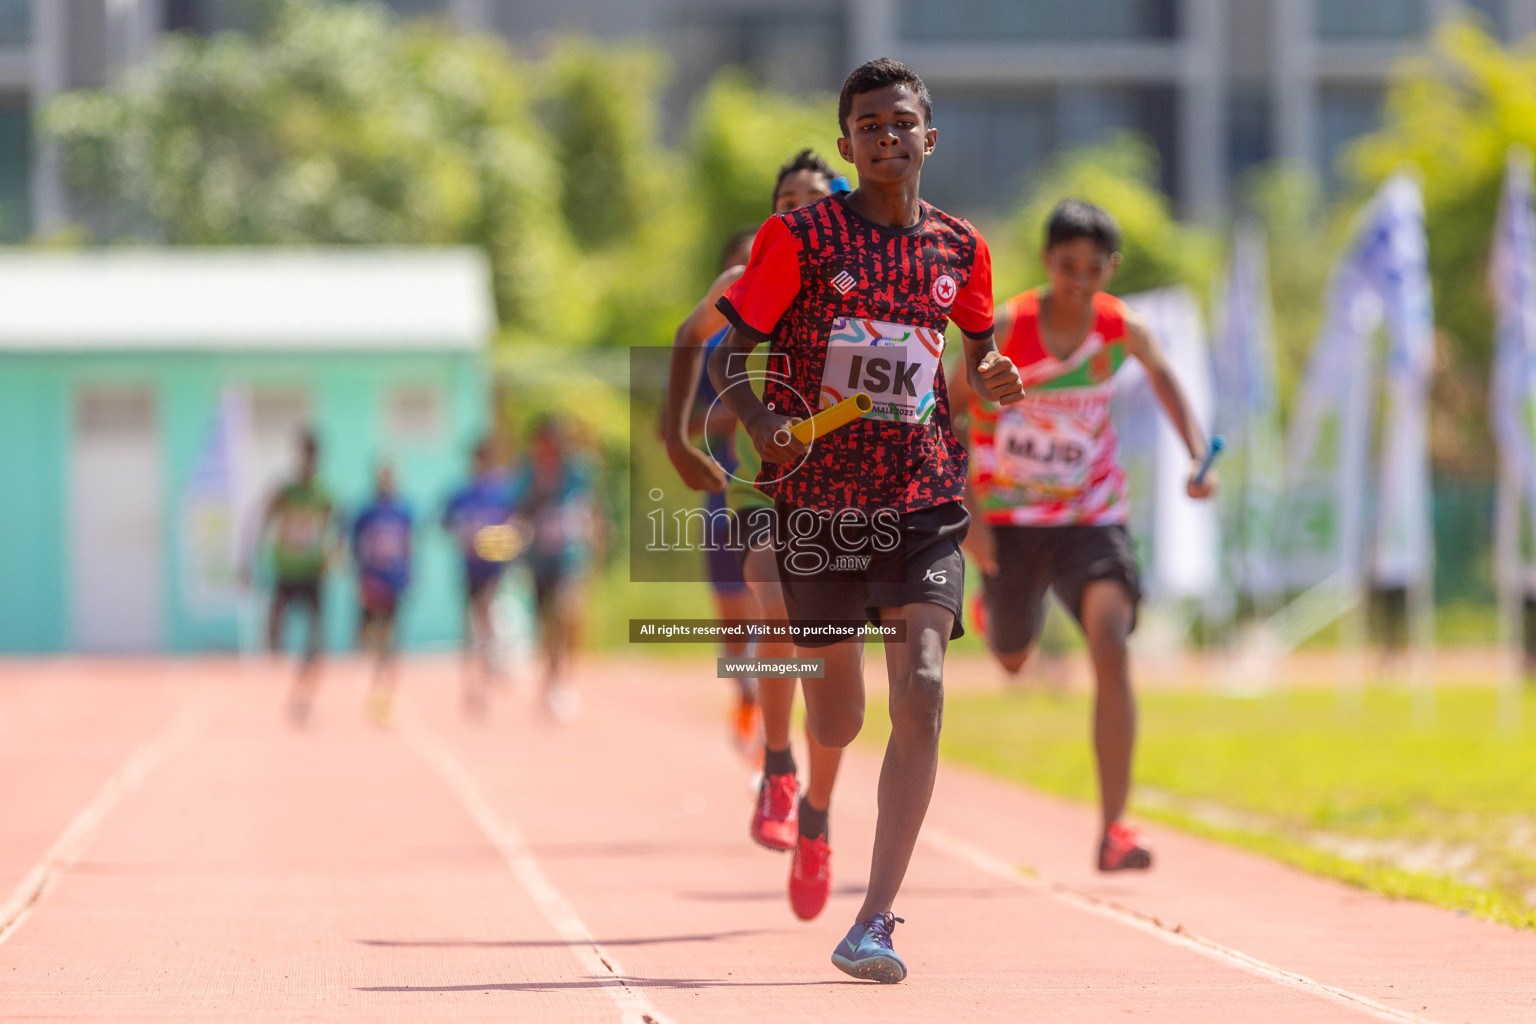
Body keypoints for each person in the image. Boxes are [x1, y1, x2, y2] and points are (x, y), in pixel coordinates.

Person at [708, 59, 1024, 982]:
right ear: (847, 145)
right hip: (818, 508)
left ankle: (876, 920)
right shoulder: (799, 239)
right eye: (869, 126)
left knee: (922, 686)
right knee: (839, 721)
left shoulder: (962, 248)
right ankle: (813, 800)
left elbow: (981, 360)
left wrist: (999, 379)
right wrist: (764, 420)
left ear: (929, 136)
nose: (887, 137)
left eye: (902, 122)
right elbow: (735, 354)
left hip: (924, 500)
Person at [952, 197, 1217, 874]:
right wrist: (970, 514)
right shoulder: (1007, 325)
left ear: (1111, 268)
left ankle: (1114, 829)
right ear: (1047, 262)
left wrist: (1196, 455)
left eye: (1091, 268)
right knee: (1012, 657)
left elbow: (1166, 381)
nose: (1077, 279)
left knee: (1111, 639)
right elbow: (946, 413)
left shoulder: (1120, 326)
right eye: (1066, 265)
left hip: (1092, 516)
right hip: (1009, 524)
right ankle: (996, 612)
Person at [667, 149, 851, 922]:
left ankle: (817, 817)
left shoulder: (867, 270)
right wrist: (680, 438)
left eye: (811, 199)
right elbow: (688, 336)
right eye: (784, 199)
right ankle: (777, 765)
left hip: (857, 485)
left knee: (837, 682)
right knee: (767, 600)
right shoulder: (746, 281)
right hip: (767, 481)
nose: (796, 211)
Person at [666, 227, 766, 760]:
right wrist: (739, 415)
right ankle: (746, 693)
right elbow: (697, 418)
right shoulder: (710, 343)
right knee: (734, 624)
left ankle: (773, 722)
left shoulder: (791, 332)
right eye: (739, 265)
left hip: (773, 496)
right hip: (724, 493)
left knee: (773, 609)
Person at [509, 416, 600, 724]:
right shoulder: (527, 473)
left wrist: (595, 541)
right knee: (546, 623)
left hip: (570, 556)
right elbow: (517, 510)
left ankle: (565, 680)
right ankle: (549, 680)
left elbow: (590, 510)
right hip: (539, 558)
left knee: (567, 611)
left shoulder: (577, 472)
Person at [256, 430, 337, 727]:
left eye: (313, 457)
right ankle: (275, 652)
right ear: (297, 457)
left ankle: (303, 690)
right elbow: (262, 522)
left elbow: (334, 529)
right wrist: (248, 561)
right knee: (274, 630)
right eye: (304, 456)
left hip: (313, 575)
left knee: (316, 642)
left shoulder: (324, 494)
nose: (308, 462)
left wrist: (334, 553)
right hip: (286, 574)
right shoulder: (285, 492)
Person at [443, 439, 514, 720]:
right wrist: (463, 534)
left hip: (493, 569)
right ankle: (471, 684)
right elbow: (445, 521)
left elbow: (517, 523)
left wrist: (501, 542)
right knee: (469, 627)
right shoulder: (462, 493)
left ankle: (485, 679)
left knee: (485, 618)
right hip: (469, 567)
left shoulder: (503, 492)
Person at [351, 461, 413, 727]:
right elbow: (355, 545)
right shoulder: (366, 511)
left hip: (394, 581)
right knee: (368, 639)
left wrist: (409, 574)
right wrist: (361, 578)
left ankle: (385, 693)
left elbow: (409, 544)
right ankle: (377, 683)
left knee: (391, 640)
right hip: (372, 581)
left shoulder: (404, 510)